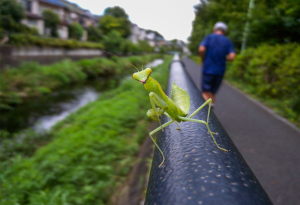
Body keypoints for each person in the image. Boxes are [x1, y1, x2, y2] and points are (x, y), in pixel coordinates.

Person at [198, 22, 235, 108]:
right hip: (220, 71)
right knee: (212, 92)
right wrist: (224, 58)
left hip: (208, 69)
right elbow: (232, 56)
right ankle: (211, 108)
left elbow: (201, 49)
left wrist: (202, 59)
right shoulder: (227, 41)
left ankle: (206, 112)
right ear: (225, 31)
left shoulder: (209, 37)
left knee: (205, 91)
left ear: (215, 30)